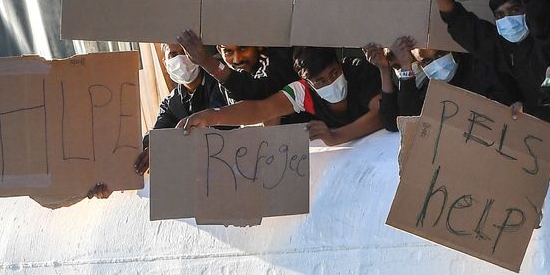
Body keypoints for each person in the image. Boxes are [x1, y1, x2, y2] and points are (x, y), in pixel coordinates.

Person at [177, 47, 383, 147]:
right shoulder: (303, 92)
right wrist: (211, 116)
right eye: (319, 81)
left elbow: (381, 113)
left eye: (334, 74)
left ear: (340, 64)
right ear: (307, 82)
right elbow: (261, 109)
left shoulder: (360, 71)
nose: (330, 83)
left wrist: (336, 136)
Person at [134, 40, 231, 174]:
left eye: (185, 52)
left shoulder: (220, 85)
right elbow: (159, 131)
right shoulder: (172, 102)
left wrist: (169, 146)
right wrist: (151, 148)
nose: (180, 59)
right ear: (165, 63)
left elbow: (220, 129)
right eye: (173, 55)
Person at [368, 35, 502, 130]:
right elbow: (400, 121)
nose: (437, 64)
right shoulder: (429, 87)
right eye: (427, 62)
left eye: (440, 55)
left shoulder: (479, 69)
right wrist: (387, 70)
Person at [176, 31, 292, 103]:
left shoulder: (275, 60)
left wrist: (207, 62)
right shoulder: (223, 82)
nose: (237, 59)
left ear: (259, 43)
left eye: (243, 48)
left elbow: (258, 93)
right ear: (219, 51)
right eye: (228, 51)